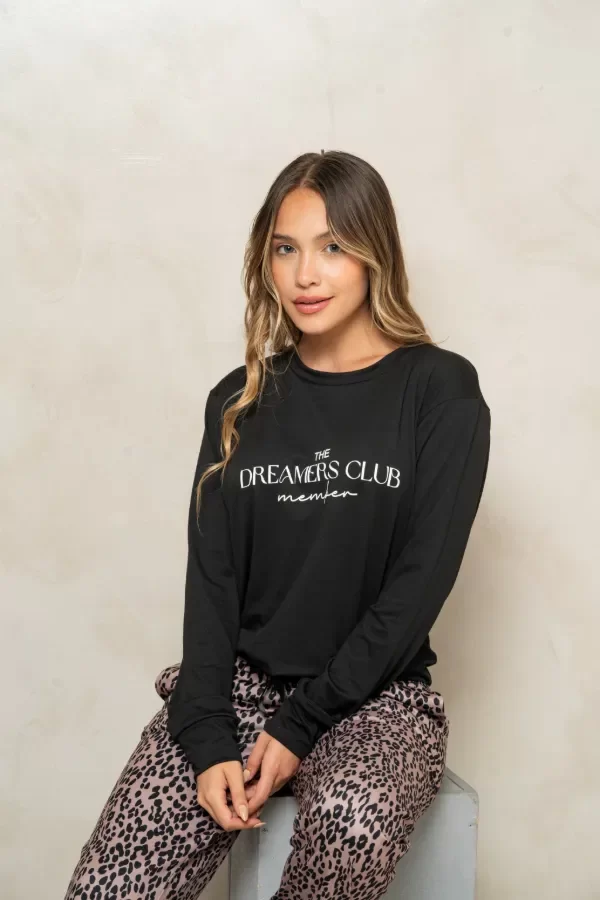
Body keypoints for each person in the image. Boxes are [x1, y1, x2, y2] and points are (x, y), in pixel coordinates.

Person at [65, 149, 491, 900]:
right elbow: (213, 582)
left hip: (377, 699)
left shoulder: (439, 391)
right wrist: (206, 734)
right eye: (286, 248)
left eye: (333, 247)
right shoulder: (239, 400)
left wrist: (301, 723)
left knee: (352, 823)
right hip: (239, 688)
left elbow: (418, 586)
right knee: (110, 886)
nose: (305, 275)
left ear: (375, 254)